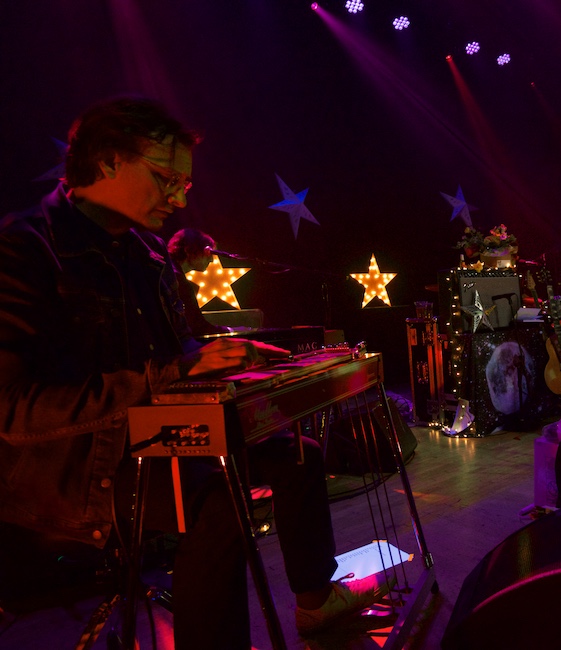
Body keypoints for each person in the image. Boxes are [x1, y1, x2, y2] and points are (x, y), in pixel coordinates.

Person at [0, 96, 389, 648]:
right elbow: (11, 409)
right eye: (165, 178)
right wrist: (176, 370)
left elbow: (176, 348)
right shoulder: (24, 248)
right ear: (109, 162)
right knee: (218, 497)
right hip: (75, 464)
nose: (181, 195)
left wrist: (233, 354)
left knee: (300, 454)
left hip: (150, 434)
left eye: (183, 182)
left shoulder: (147, 252)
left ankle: (316, 602)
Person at [167, 227, 233, 336]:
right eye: (208, 253)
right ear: (189, 250)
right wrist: (230, 331)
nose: (211, 260)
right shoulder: (177, 281)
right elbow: (197, 326)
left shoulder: (169, 273)